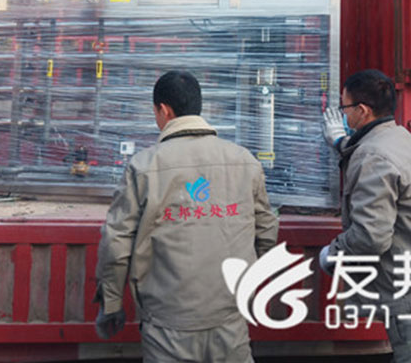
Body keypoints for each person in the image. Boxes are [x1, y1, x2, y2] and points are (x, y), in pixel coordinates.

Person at [95, 70, 279, 362]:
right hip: (230, 317)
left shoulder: (144, 166)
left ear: (164, 110)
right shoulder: (245, 161)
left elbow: (116, 243)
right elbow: (266, 231)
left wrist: (112, 303)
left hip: (168, 324)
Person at [319, 69, 411, 362]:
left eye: (344, 108)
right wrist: (340, 143)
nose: (342, 115)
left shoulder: (373, 156)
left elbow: (370, 236)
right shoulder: (400, 137)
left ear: (362, 110)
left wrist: (332, 255)